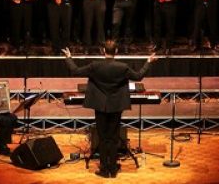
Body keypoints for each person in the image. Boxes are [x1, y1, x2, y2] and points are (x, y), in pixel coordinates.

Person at [62, 41, 156, 178]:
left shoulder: (95, 66)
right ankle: (112, 168)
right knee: (113, 137)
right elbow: (138, 76)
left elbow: (75, 71)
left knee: (103, 137)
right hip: (116, 106)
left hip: (100, 106)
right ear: (116, 51)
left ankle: (104, 169)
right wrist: (148, 61)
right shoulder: (122, 67)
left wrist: (69, 57)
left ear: (103, 51)